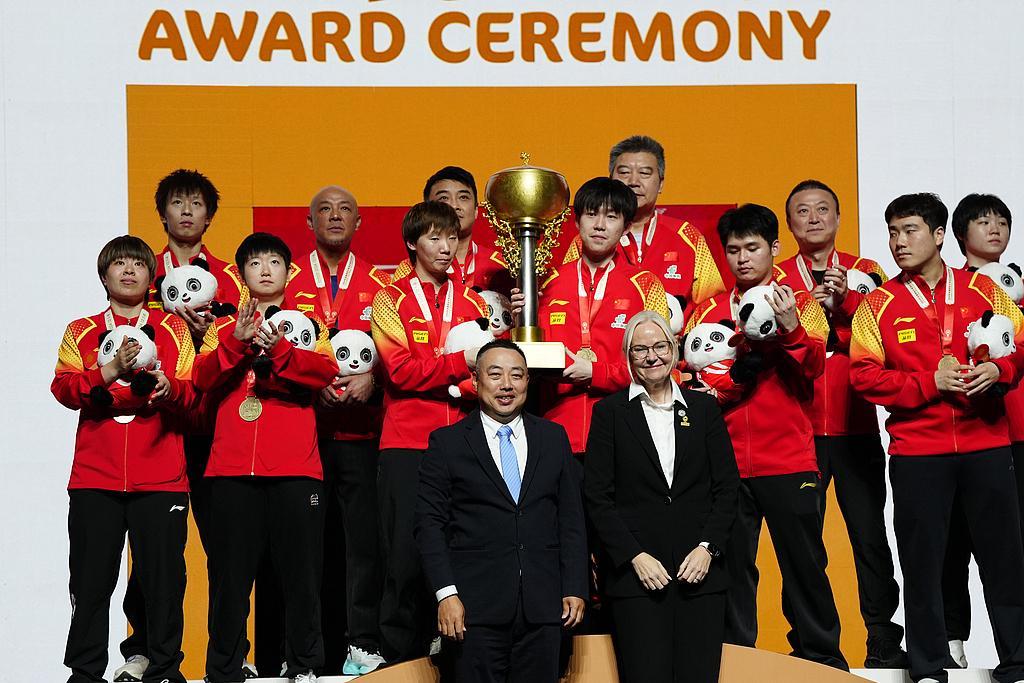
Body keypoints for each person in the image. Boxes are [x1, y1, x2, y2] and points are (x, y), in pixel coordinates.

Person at [850, 192, 1024, 683]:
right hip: (918, 452)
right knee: (922, 562)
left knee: (1003, 559)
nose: (899, 242)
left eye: (910, 230)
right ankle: (928, 665)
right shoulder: (877, 304)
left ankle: (1018, 661)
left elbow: (1020, 342)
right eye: (892, 232)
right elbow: (863, 376)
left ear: (939, 234)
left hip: (987, 443)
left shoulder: (983, 288)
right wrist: (928, 382)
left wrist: (1000, 369)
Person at [685, 204, 848, 670]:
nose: (742, 258)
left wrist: (790, 328)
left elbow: (814, 367)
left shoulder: (798, 302)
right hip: (725, 463)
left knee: (804, 563)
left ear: (774, 248)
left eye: (752, 248)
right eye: (733, 250)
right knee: (731, 567)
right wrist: (722, 381)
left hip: (788, 458)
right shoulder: (709, 310)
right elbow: (691, 378)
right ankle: (736, 660)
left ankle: (821, 659)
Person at [117, 168, 250, 682]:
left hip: (218, 429)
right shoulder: (142, 274)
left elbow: (243, 345)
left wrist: (207, 335)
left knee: (228, 549)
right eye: (177, 202)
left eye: (197, 203)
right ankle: (143, 650)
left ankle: (230, 656)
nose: (187, 211)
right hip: (159, 428)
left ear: (210, 216)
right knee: (154, 550)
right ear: (163, 214)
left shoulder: (233, 278)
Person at [194, 233, 339, 683]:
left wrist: (279, 348)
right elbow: (200, 378)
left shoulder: (309, 324)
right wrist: (235, 344)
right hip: (231, 469)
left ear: (287, 272)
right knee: (229, 579)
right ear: (241, 274)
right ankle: (224, 668)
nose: (265, 269)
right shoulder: (222, 328)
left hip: (296, 468)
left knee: (301, 577)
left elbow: (325, 371)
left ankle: (305, 665)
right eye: (255, 263)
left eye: (274, 261)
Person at [775, 179, 906, 667]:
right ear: (790, 223)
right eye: (802, 211)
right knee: (803, 547)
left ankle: (883, 641)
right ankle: (808, 643)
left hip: (856, 428)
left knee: (870, 539)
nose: (813, 218)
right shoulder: (777, 278)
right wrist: (805, 311)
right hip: (798, 432)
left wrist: (846, 303)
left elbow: (884, 340)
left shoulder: (868, 272)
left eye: (822, 210)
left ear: (838, 217)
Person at [52, 235, 195, 683]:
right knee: (90, 582)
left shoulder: (173, 330)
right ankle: (85, 672)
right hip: (96, 477)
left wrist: (170, 389)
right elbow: (64, 388)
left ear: (152, 277)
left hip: (161, 477)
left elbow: (193, 393)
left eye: (138, 264)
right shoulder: (81, 330)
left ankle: (165, 668)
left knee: (163, 582)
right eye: (119, 264)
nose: (129, 270)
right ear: (104, 275)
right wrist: (109, 372)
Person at [415, 338, 588, 682]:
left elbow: (571, 520)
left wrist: (575, 586)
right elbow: (428, 526)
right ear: (475, 381)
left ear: (528, 381)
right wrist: (446, 594)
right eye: (495, 375)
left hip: (544, 609)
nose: (506, 385)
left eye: (516, 375)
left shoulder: (553, 437)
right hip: (473, 612)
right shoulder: (447, 443)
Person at [584, 310, 739, 683]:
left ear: (674, 349)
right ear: (628, 356)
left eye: (659, 346)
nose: (651, 356)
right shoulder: (609, 413)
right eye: (640, 349)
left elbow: (727, 487)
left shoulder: (703, 409)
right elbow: (597, 497)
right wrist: (633, 556)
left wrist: (708, 548)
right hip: (637, 579)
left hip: (700, 574)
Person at [370, 201, 489, 663]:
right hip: (406, 443)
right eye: (434, 238)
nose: (445, 247)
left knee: (461, 550)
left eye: (452, 238)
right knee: (403, 556)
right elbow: (399, 372)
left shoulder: (476, 302)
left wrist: (456, 380)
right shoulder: (390, 299)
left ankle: (458, 653)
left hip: (463, 442)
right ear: (411, 243)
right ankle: (401, 658)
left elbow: (489, 376)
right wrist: (460, 365)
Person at [285, 186, 391, 675]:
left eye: (344, 209)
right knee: (304, 549)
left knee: (364, 547)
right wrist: (312, 387)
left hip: (363, 438)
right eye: (324, 210)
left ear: (358, 222)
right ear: (309, 222)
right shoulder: (286, 279)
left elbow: (399, 347)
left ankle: (363, 643)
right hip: (304, 437)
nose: (334, 216)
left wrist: (375, 378)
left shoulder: (381, 283)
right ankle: (303, 652)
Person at [941, 193, 1022, 668]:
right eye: (982, 221)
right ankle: (951, 638)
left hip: (1019, 433)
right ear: (958, 233)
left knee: (1012, 546)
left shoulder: (1018, 287)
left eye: (1002, 221)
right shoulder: (953, 289)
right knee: (953, 540)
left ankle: (1017, 650)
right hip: (972, 431)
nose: (994, 229)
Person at [534, 177, 670, 457]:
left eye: (611, 217)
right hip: (555, 432)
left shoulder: (646, 284)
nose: (599, 225)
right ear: (576, 221)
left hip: (624, 433)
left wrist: (595, 373)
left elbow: (659, 364)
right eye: (591, 214)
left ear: (626, 227)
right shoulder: (546, 283)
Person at [561, 135, 725, 317]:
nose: (633, 181)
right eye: (624, 172)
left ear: (661, 183)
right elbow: (566, 296)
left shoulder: (688, 236)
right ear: (611, 180)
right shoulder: (588, 239)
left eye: (644, 173)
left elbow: (712, 305)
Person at [392, 166, 512, 293]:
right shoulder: (409, 269)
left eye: (463, 197)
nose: (454, 206)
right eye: (444, 198)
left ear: (476, 210)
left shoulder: (501, 266)